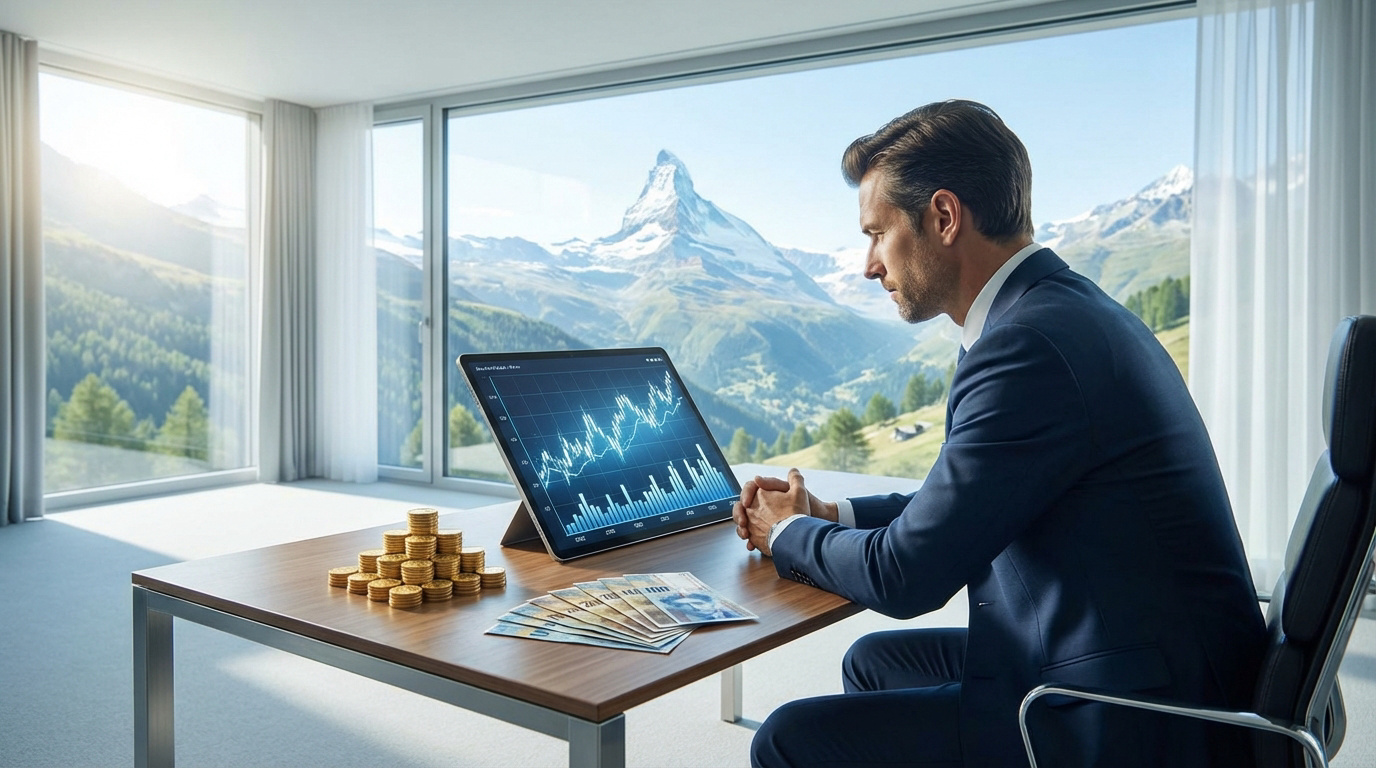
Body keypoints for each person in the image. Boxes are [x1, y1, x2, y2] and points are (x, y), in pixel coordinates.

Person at [732, 100, 1266, 767]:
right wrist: (829, 513)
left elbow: (908, 577)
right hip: (1136, 653)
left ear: (945, 217)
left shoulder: (1027, 347)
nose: (869, 264)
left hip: (1132, 711)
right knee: (875, 661)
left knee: (788, 741)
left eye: (876, 233)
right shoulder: (1055, 312)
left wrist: (785, 533)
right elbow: (959, 504)